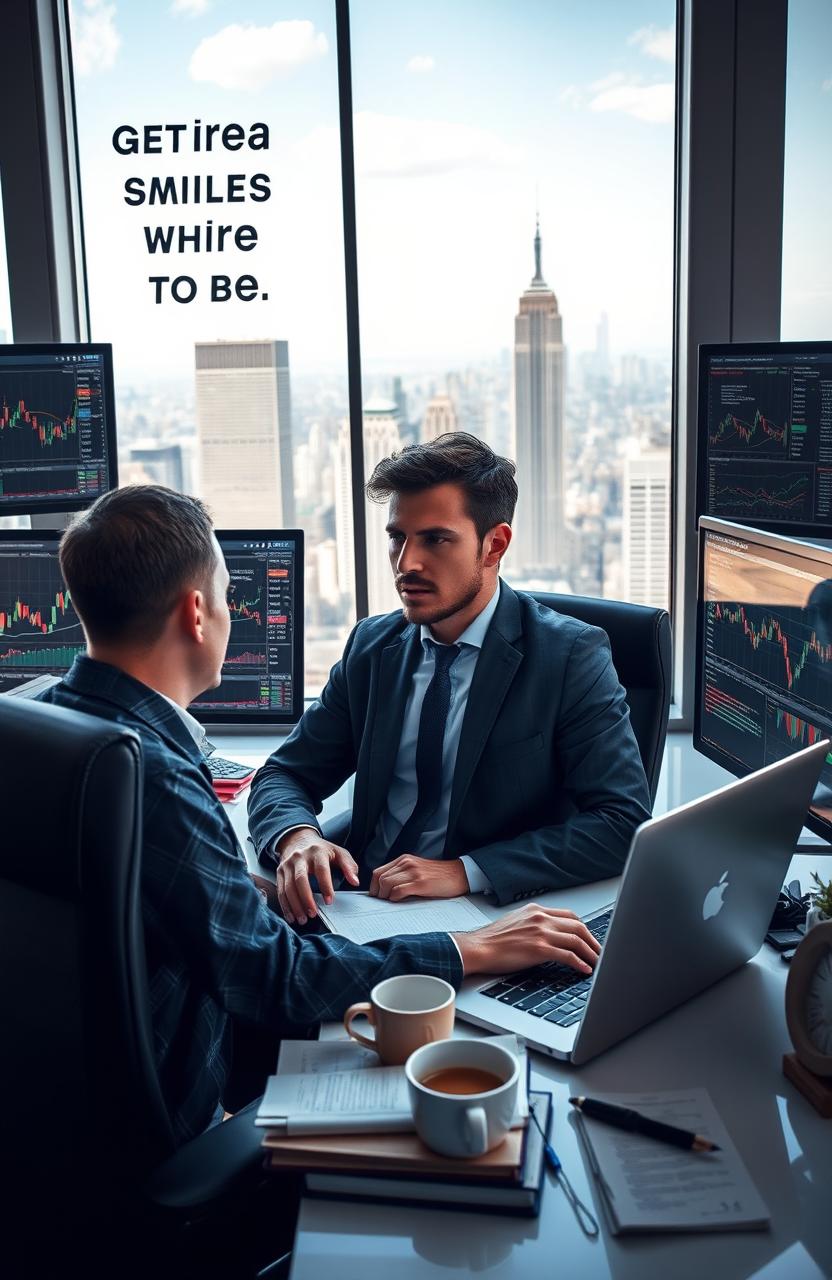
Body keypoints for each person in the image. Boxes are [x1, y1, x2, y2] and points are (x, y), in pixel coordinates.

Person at [42, 484, 601, 1144]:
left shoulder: (52, 725)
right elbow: (274, 979)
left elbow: (154, 901)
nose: (405, 562)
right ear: (197, 613)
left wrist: (265, 872)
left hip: (61, 1109)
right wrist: (471, 950)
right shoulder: (155, 776)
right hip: (175, 1121)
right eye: (226, 596)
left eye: (434, 538)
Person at [249, 432, 651, 926]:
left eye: (436, 539)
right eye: (398, 537)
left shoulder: (569, 656)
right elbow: (284, 774)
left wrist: (465, 871)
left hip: (481, 916)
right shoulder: (372, 647)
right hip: (355, 904)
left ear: (494, 544)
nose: (406, 564)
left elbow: (620, 822)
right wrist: (299, 837)